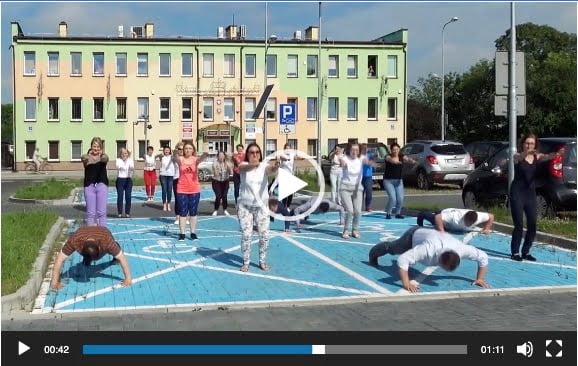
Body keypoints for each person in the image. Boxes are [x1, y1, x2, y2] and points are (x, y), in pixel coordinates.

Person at [369, 227, 490, 293]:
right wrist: (406, 284)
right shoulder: (427, 250)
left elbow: (483, 257)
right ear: (440, 261)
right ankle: (372, 255)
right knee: (392, 248)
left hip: (432, 236)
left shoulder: (462, 249)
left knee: (408, 261)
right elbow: (402, 260)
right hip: (412, 236)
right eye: (446, 269)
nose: (447, 272)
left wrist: (480, 279)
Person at [509, 133, 564, 262]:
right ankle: (515, 252)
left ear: (535, 145)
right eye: (527, 143)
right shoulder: (517, 156)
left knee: (532, 224)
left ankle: (526, 251)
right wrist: (526, 152)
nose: (529, 145)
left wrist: (557, 154)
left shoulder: (536, 156)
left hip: (530, 194)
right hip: (517, 192)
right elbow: (520, 156)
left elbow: (546, 156)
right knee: (518, 224)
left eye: (532, 143)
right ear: (523, 144)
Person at [238, 143, 279, 272]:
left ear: (260, 154)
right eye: (252, 152)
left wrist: (276, 165)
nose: (255, 155)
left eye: (257, 152)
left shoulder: (264, 167)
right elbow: (247, 166)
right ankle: (246, 262)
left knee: (264, 235)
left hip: (261, 206)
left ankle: (262, 260)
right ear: (247, 154)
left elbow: (271, 170)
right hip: (245, 207)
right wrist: (261, 164)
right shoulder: (243, 165)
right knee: (246, 235)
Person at [50, 226, 132, 290]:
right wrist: (54, 282)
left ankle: (114, 257)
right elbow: (59, 259)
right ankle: (87, 259)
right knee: (87, 260)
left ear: (100, 248)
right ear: (81, 248)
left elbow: (122, 258)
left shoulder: (107, 241)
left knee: (116, 252)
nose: (95, 259)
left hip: (103, 231)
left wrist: (128, 279)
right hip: (82, 234)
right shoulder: (74, 240)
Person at [175, 141, 208, 241]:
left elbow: (200, 160)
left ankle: (193, 233)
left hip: (194, 189)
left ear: (193, 150)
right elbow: (175, 158)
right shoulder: (180, 159)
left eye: (190, 148)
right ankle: (182, 233)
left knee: (193, 212)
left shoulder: (195, 159)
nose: (188, 150)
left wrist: (204, 155)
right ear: (183, 150)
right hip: (182, 189)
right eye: (186, 148)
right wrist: (175, 152)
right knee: (183, 212)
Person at [81, 137, 109, 226]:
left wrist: (102, 154)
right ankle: (90, 236)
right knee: (91, 213)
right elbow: (83, 158)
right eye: (94, 146)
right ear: (91, 146)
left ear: (101, 148)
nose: (96, 148)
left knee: (101, 213)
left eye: (98, 146)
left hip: (102, 185)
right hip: (89, 186)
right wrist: (86, 156)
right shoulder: (87, 158)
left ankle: (102, 235)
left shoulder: (103, 157)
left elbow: (106, 158)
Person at [383, 143, 415, 219]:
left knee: (400, 199)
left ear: (399, 150)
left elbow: (407, 159)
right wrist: (395, 162)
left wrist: (411, 161)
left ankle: (398, 213)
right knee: (392, 198)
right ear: (391, 150)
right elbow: (390, 160)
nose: (395, 151)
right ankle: (388, 213)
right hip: (388, 181)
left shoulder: (401, 156)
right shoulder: (388, 156)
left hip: (398, 181)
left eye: (397, 149)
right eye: (394, 149)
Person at [338, 143, 364, 239]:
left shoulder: (361, 159)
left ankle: (355, 230)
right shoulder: (345, 158)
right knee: (350, 210)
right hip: (345, 187)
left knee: (358, 211)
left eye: (357, 150)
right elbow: (343, 164)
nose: (354, 152)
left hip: (357, 188)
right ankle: (346, 230)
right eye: (352, 150)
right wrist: (342, 162)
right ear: (349, 150)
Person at [417, 208, 494, 234]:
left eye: (471, 223)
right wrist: (441, 230)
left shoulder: (479, 217)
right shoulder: (455, 218)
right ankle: (422, 214)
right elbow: (438, 217)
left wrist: (486, 229)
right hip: (445, 216)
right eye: (468, 222)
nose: (469, 224)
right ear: (464, 218)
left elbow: (491, 216)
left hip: (452, 224)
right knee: (433, 219)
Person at [212, 151, 233, 216]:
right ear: (217, 156)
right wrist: (217, 170)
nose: (221, 157)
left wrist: (228, 166)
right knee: (218, 196)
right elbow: (215, 173)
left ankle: (225, 209)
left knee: (224, 196)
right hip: (216, 181)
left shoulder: (227, 163)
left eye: (222, 155)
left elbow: (231, 173)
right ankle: (216, 209)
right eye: (220, 155)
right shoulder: (215, 163)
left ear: (224, 156)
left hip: (225, 181)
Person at [115, 148, 134, 218]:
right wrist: (124, 165)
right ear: (120, 154)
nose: (124, 155)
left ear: (128, 154)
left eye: (126, 153)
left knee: (128, 197)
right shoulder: (118, 160)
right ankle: (119, 212)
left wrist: (131, 167)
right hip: (120, 180)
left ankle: (127, 213)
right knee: (120, 196)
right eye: (123, 153)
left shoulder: (130, 160)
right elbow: (118, 166)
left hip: (128, 180)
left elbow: (132, 167)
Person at [279, 143, 296, 207]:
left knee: (291, 192)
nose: (287, 150)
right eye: (286, 148)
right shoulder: (282, 155)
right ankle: (283, 206)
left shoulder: (292, 155)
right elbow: (280, 157)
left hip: (290, 175)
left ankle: (288, 206)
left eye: (289, 148)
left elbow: (297, 157)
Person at [158, 146, 175, 212]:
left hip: (170, 175)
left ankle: (169, 204)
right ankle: (164, 204)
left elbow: (175, 157)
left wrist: (174, 152)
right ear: (164, 151)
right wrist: (160, 155)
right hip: (163, 175)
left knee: (170, 190)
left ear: (170, 151)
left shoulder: (172, 157)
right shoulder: (162, 157)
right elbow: (158, 156)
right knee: (164, 190)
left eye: (168, 150)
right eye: (165, 150)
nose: (167, 151)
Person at [360, 144, 375, 212]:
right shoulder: (358, 156)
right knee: (360, 193)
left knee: (369, 193)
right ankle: (358, 207)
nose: (365, 149)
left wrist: (368, 162)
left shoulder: (370, 155)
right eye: (363, 148)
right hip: (360, 176)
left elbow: (371, 162)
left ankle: (368, 207)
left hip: (368, 176)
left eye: (366, 148)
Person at [172, 142, 184, 225]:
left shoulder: (187, 158)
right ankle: (177, 217)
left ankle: (185, 216)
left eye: (182, 149)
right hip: (176, 179)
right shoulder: (174, 158)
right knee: (178, 199)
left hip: (185, 180)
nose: (181, 150)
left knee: (185, 199)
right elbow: (175, 158)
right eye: (179, 149)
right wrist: (176, 152)